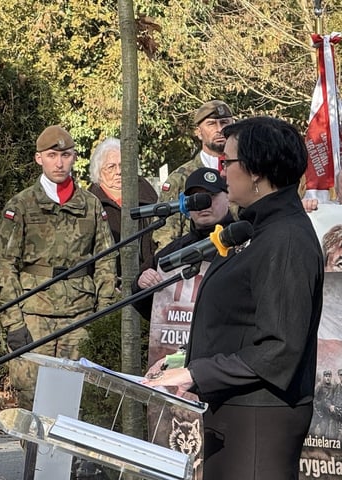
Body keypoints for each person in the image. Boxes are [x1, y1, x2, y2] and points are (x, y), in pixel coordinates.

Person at [144, 116, 324, 480]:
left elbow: (279, 347)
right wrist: (183, 361)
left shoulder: (285, 239)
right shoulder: (259, 229)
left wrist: (196, 372)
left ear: (256, 170)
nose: (222, 173)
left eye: (228, 163)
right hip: (235, 411)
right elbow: (240, 323)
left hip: (259, 420)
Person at [0, 125, 116, 410]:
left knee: (77, 398)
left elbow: (106, 260)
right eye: (52, 155)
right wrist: (13, 322)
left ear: (75, 158)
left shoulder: (89, 204)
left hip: (79, 314)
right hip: (34, 314)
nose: (59, 163)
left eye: (66, 155)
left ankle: (70, 457)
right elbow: (4, 265)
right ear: (39, 159)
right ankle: (34, 456)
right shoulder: (22, 205)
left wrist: (104, 313)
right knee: (31, 396)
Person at [132, 167, 235, 320]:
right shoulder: (174, 251)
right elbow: (153, 312)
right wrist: (141, 284)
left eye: (211, 196)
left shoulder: (246, 243)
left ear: (228, 197)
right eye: (196, 198)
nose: (203, 204)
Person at [154, 100, 235, 249]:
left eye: (224, 123)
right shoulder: (179, 178)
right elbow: (165, 235)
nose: (220, 129)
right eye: (211, 124)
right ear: (198, 131)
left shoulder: (244, 172)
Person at [86, 137, 158, 276]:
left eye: (123, 165)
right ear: (98, 171)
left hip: (148, 279)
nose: (119, 171)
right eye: (111, 167)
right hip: (107, 283)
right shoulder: (90, 203)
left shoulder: (147, 194)